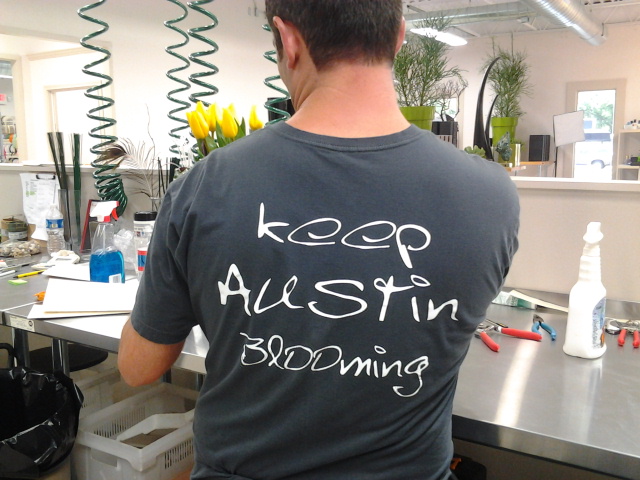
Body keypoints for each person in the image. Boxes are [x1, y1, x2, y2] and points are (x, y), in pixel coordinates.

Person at [118, 1, 520, 479]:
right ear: (398, 36)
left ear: (288, 40)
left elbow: (139, 368)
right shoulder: (490, 195)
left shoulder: (205, 186)